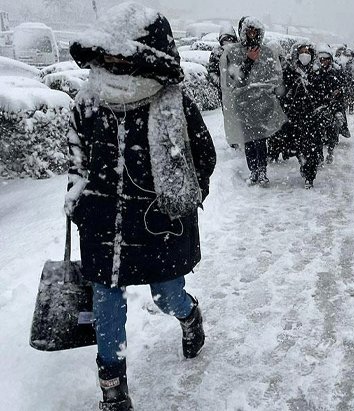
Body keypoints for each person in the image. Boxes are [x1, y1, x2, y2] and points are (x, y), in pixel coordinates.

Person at [65, 3, 217, 410]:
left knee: (167, 295)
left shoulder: (173, 104)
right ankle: (112, 385)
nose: (114, 63)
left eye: (123, 55)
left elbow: (203, 157)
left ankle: (189, 317)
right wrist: (78, 200)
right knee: (106, 303)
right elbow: (76, 158)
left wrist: (182, 196)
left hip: (157, 224)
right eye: (108, 55)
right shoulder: (88, 102)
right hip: (100, 224)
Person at [220, 16, 286, 187]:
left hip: (262, 104)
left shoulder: (267, 52)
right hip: (243, 103)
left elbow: (275, 77)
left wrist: (269, 92)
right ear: (243, 32)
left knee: (260, 139)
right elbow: (234, 80)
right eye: (249, 31)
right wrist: (249, 61)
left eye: (255, 31)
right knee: (248, 139)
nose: (252, 34)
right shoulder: (234, 52)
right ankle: (253, 171)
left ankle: (262, 172)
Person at [282, 43, 335, 188]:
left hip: (313, 117)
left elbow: (324, 93)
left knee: (312, 147)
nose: (305, 54)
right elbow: (284, 92)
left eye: (307, 52)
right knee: (299, 147)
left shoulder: (318, 73)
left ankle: (310, 176)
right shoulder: (290, 71)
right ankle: (303, 163)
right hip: (295, 116)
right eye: (302, 52)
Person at [316, 46, 346, 164]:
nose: (324, 61)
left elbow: (344, 86)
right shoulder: (316, 73)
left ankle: (330, 151)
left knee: (332, 130)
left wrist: (339, 91)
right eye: (321, 59)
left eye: (326, 59)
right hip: (319, 106)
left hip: (334, 105)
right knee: (317, 132)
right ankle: (319, 155)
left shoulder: (336, 72)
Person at [208, 25, 238, 99]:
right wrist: (220, 82)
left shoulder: (239, 52)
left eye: (230, 40)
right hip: (224, 92)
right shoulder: (217, 52)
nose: (227, 43)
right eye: (225, 41)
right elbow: (212, 71)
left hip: (238, 90)